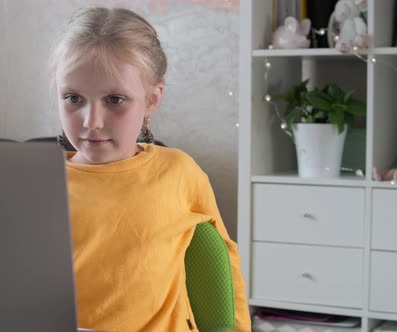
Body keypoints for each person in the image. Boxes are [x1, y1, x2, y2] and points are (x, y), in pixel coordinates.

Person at [49, 7, 251, 332]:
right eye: (73, 98)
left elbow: (223, 264)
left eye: (114, 99)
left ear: (152, 99)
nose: (91, 121)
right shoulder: (39, 183)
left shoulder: (178, 172)